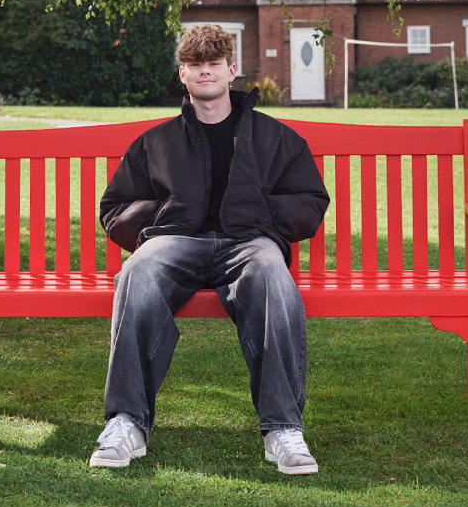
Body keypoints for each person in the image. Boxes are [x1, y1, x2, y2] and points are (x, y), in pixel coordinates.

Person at [90, 24, 330, 475]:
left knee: (273, 275)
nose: (205, 72)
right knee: (137, 272)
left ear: (231, 70)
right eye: (195, 65)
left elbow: (310, 200)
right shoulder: (156, 142)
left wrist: (261, 222)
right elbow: (115, 205)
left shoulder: (275, 138)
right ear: (182, 74)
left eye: (213, 63)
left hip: (249, 244)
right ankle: (127, 422)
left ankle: (283, 429)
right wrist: (158, 228)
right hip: (175, 243)